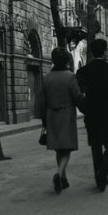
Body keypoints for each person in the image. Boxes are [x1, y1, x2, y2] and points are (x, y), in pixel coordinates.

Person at [76, 38, 108, 192]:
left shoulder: (83, 72)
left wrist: (85, 108)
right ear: (105, 52)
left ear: (92, 52)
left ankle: (100, 178)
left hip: (92, 115)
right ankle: (102, 174)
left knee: (96, 146)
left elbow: (78, 95)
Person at [40, 47, 82, 194]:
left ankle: (63, 178)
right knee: (67, 147)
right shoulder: (71, 76)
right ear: (66, 60)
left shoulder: (46, 78)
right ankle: (59, 173)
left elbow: (42, 100)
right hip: (66, 113)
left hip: (51, 114)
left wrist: (44, 119)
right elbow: (77, 96)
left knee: (58, 147)